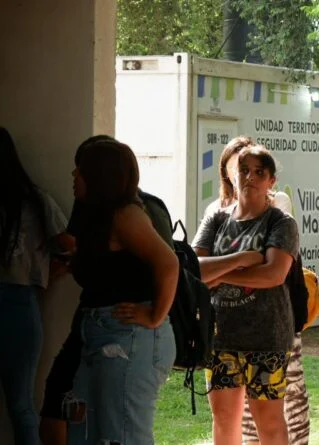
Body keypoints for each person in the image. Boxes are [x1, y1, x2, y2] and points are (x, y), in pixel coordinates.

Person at [39, 135, 175, 445]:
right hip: (100, 332)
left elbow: (169, 264)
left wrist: (154, 315)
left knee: (121, 436)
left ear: (98, 175)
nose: (74, 175)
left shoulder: (126, 215)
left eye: (81, 169)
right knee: (87, 430)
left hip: (127, 336)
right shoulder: (96, 214)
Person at [204, 136, 310, 445]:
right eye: (243, 170)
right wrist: (239, 260)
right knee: (224, 419)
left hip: (267, 340)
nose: (250, 177)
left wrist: (219, 274)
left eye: (259, 172)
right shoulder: (216, 218)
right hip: (221, 338)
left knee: (269, 423)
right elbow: (194, 270)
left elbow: (273, 275)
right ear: (232, 176)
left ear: (271, 180)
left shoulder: (280, 221)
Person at [0, 127, 67, 445]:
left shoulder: (36, 201)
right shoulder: (36, 200)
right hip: (21, 305)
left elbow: (71, 248)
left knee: (21, 405)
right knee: (21, 405)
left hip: (19, 303)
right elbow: (70, 248)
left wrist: (45, 275)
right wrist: (42, 276)